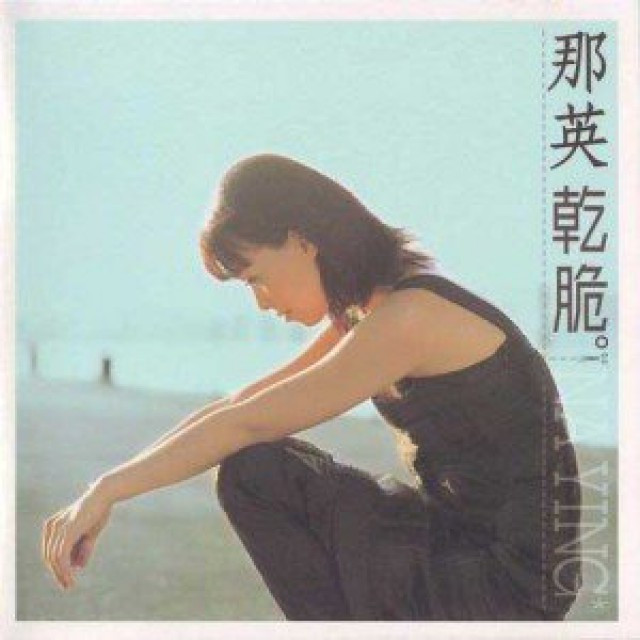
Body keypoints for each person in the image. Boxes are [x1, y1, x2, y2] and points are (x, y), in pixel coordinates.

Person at [41, 153, 582, 620]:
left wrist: (109, 491)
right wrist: (104, 486)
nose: (262, 302)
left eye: (256, 278)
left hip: (505, 583)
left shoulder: (408, 317)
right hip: (457, 542)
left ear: (302, 242)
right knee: (253, 467)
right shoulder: (377, 306)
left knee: (256, 473)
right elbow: (241, 404)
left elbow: (246, 424)